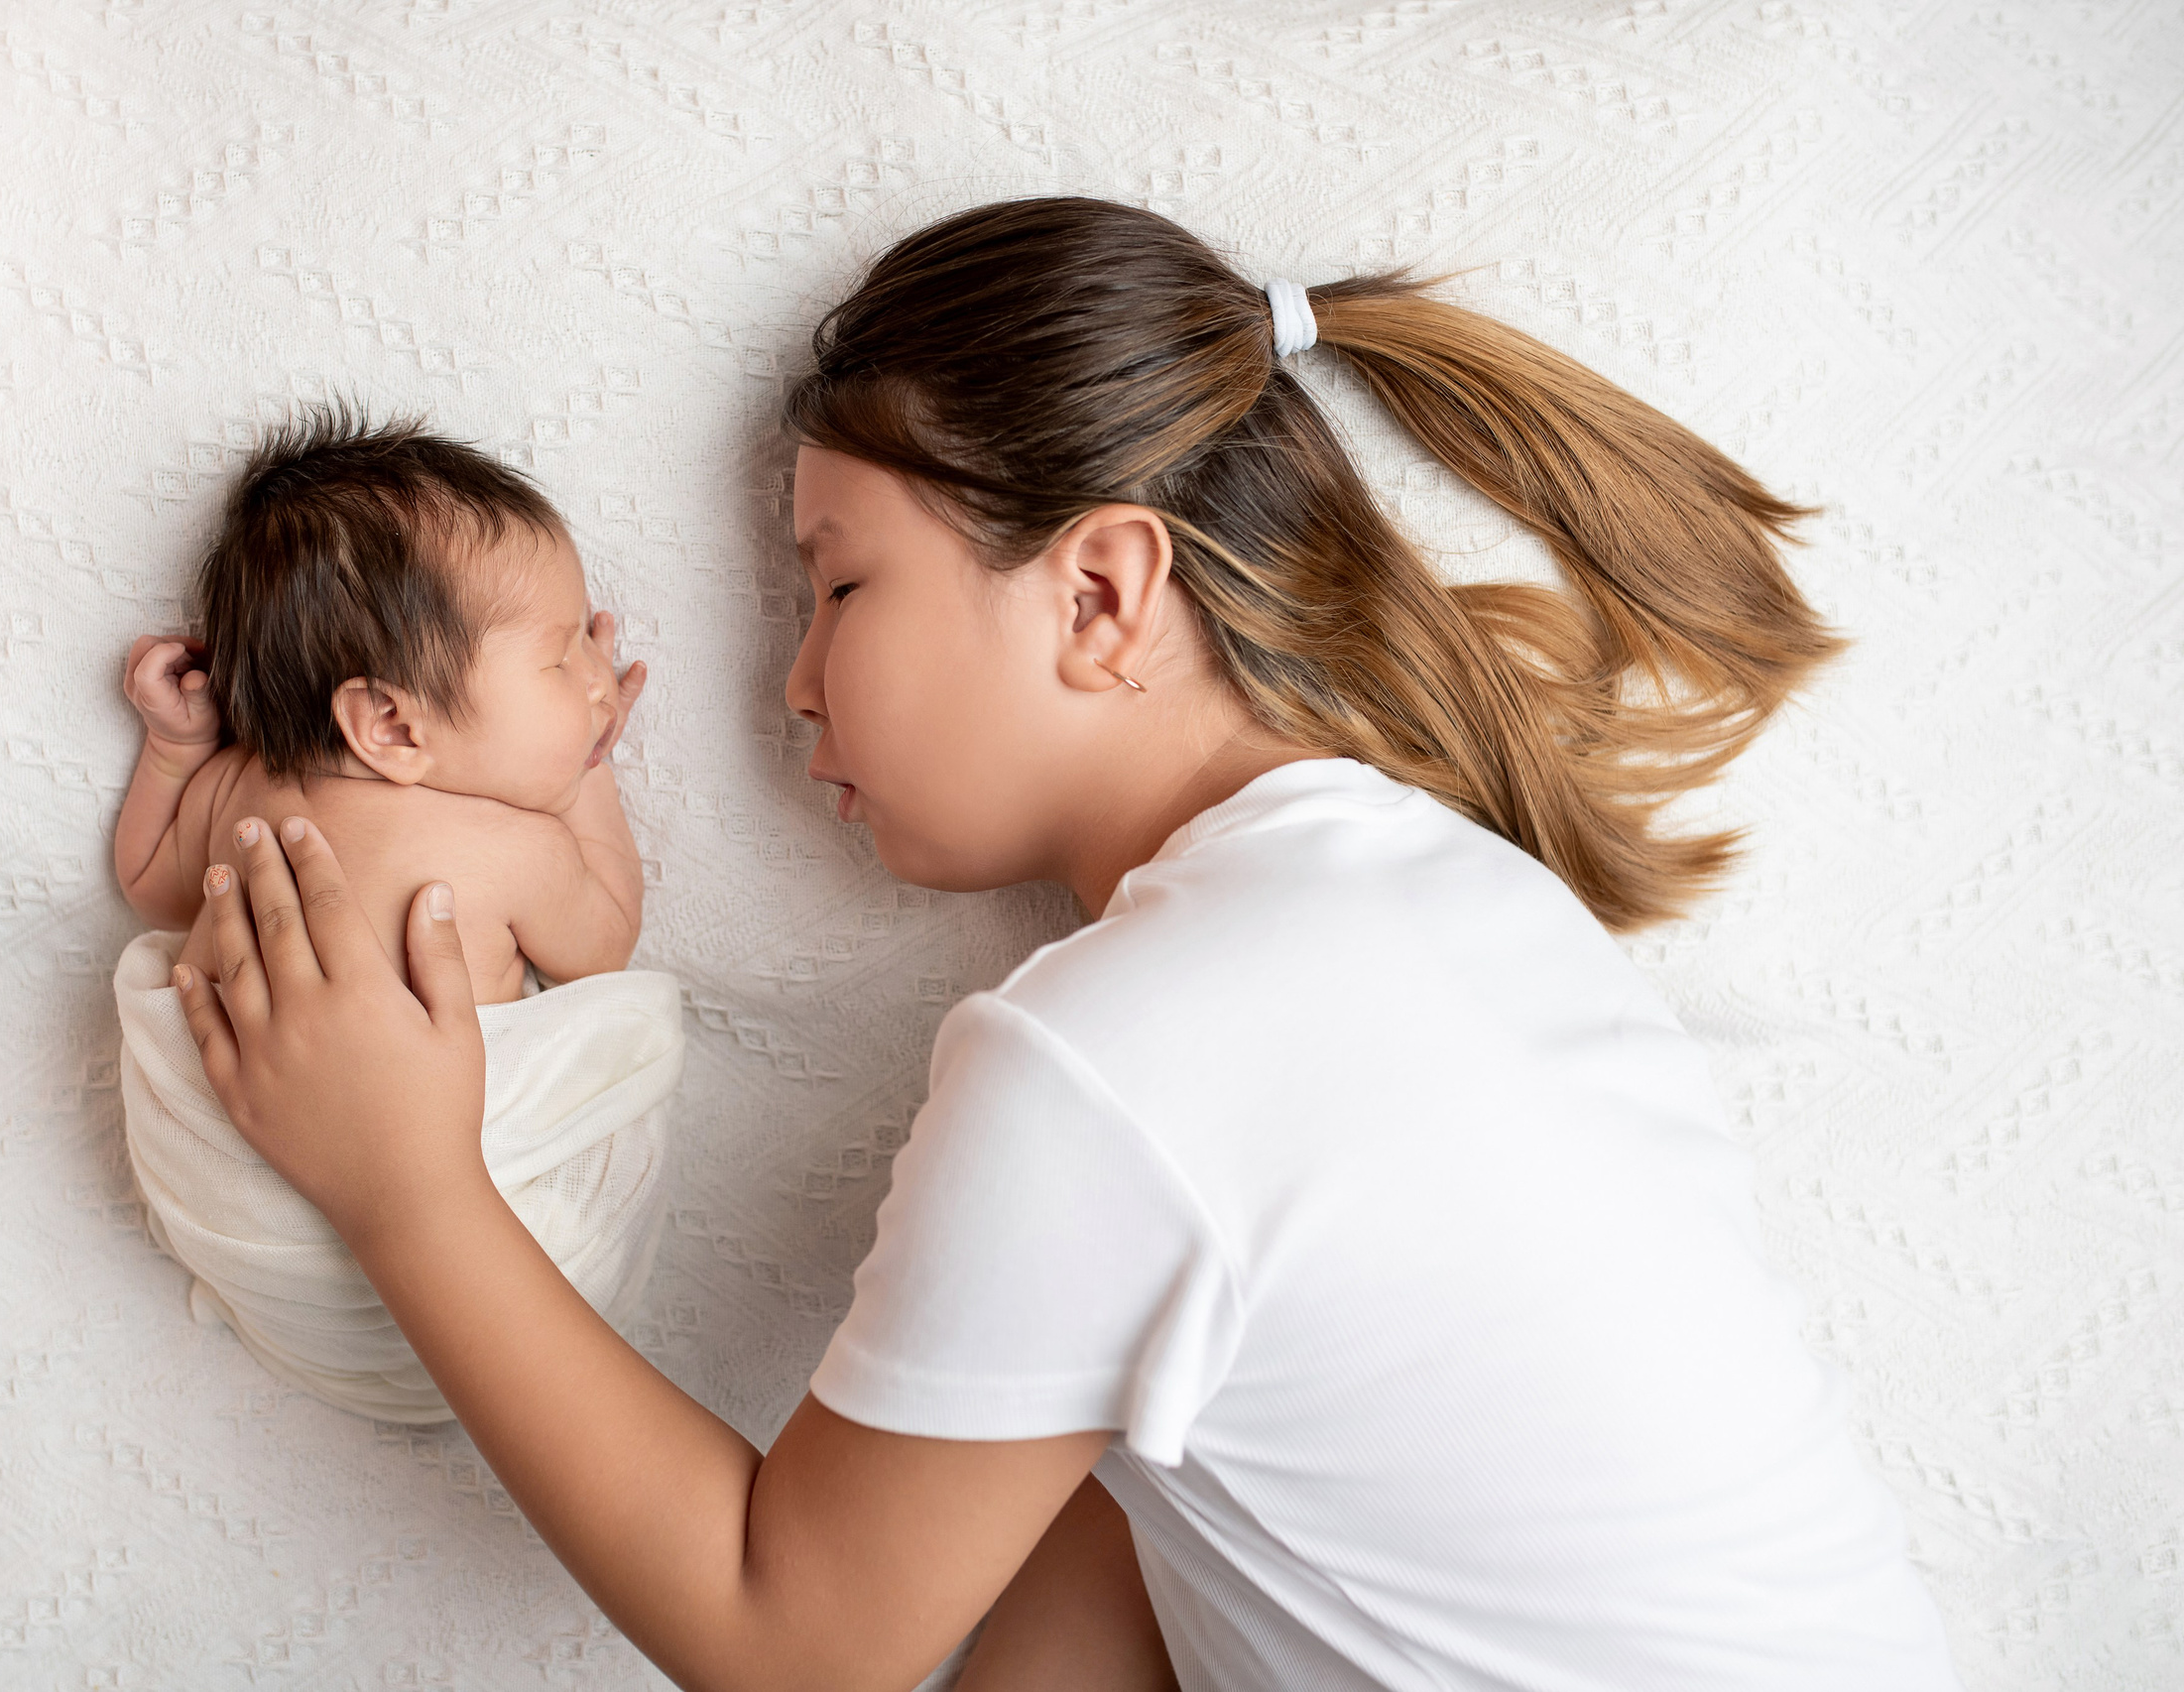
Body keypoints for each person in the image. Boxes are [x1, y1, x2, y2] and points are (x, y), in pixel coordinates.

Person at [166, 197, 1965, 1690]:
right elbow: (1142, 1532)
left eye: (840, 585)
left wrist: (407, 1182)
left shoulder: (1123, 1053)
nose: (789, 684)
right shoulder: (1462, 907)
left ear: (1103, 593)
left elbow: (792, 1640)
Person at [111, 412, 679, 1423]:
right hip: (500, 1288)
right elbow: (605, 941)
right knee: (635, 1028)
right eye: (561, 658)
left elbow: (149, 881)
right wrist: (584, 776)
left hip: (234, 1226)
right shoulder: (512, 848)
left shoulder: (244, 788)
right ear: (390, 724)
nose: (599, 675)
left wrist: (171, 748)